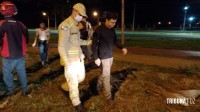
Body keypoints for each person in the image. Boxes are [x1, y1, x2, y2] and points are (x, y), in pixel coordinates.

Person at [58, 3, 91, 112]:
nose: (82, 17)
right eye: (81, 15)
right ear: (75, 11)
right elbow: (61, 46)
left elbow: (76, 42)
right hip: (70, 61)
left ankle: (64, 87)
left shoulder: (75, 25)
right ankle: (77, 104)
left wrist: (87, 42)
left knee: (81, 78)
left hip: (79, 58)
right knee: (74, 83)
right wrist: (66, 62)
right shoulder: (65, 25)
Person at [92, 12, 128, 106]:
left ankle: (98, 85)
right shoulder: (99, 29)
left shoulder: (112, 30)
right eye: (112, 22)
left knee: (103, 74)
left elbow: (115, 40)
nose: (113, 24)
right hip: (103, 57)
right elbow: (94, 44)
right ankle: (108, 97)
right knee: (107, 76)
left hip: (110, 56)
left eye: (115, 22)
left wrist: (122, 47)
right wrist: (96, 57)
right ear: (106, 20)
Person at [0, 1, 29, 96]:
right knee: (22, 72)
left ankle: (10, 90)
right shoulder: (21, 24)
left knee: (7, 74)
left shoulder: (2, 24)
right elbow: (27, 38)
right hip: (20, 54)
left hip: (8, 56)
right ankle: (24, 90)